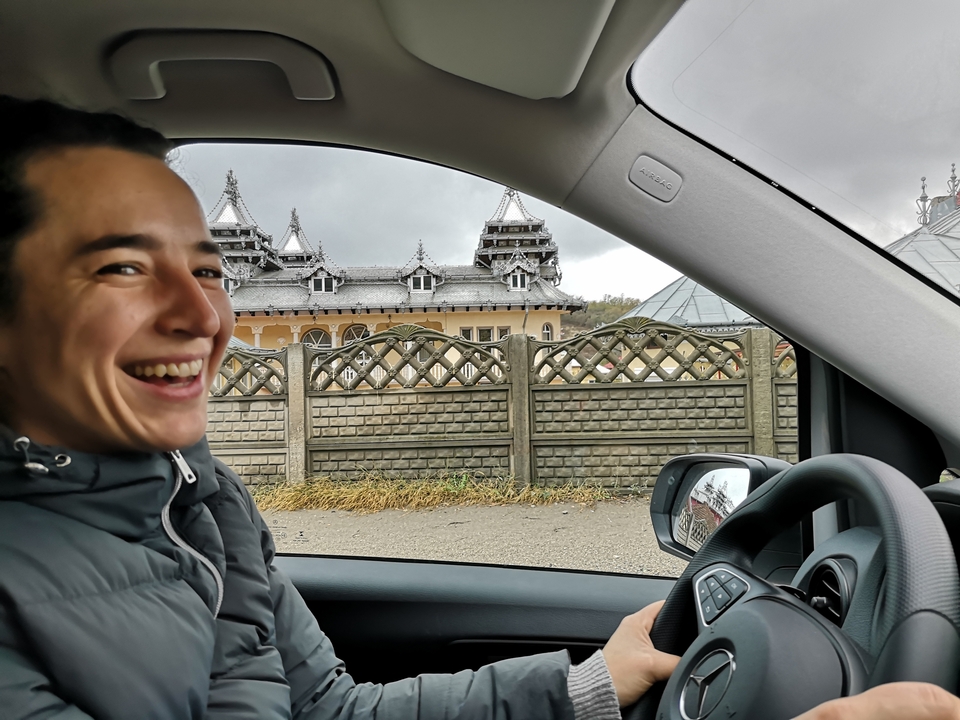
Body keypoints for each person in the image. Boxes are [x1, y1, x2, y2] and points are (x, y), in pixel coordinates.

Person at [0, 95, 957, 720]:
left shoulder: (201, 505)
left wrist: (589, 687)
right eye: (120, 267)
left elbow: (330, 712)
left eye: (210, 270)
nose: (201, 314)